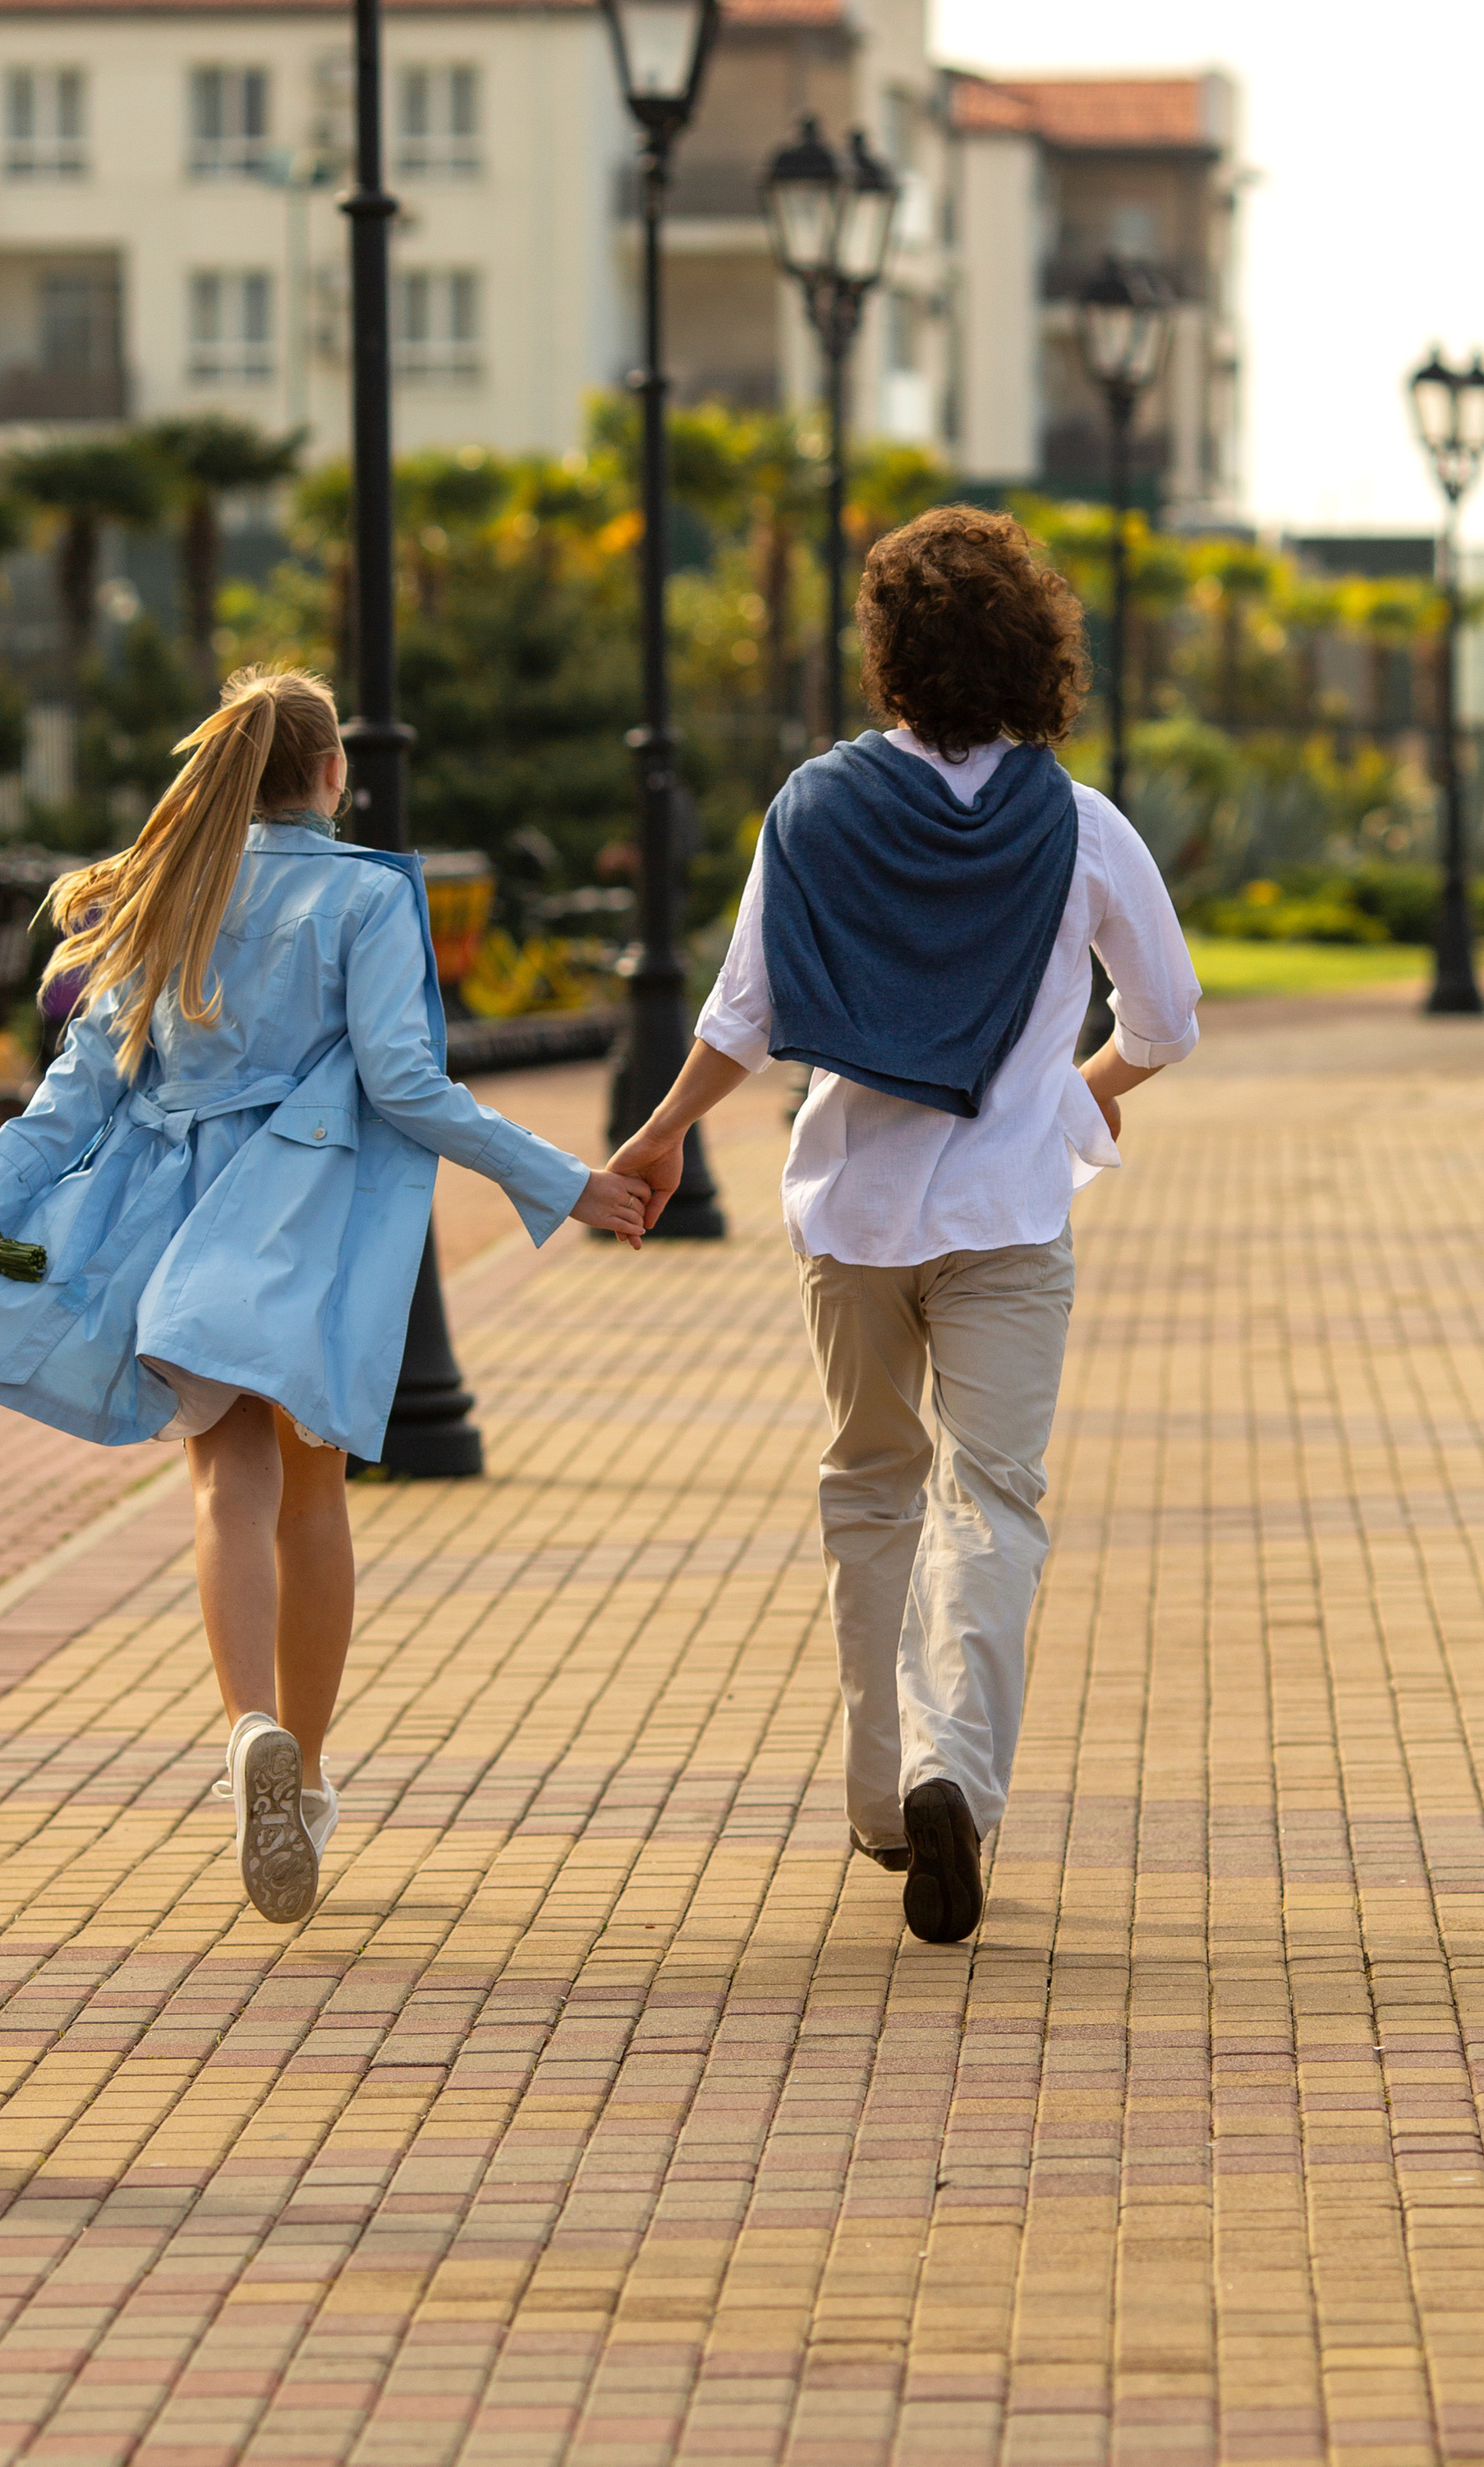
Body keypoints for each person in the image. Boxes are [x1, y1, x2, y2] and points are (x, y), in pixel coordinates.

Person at [0, 668, 649, 1925]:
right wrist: (568, 1183)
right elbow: (406, 1087)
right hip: (310, 1226)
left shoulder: (174, 890)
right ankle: (307, 1775)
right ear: (334, 774)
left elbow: (76, 1095)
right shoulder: (366, 896)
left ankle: (248, 1729)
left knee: (227, 1478)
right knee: (313, 1490)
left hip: (179, 1230)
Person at [613, 508, 1200, 1948]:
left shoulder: (815, 807)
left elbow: (743, 1014)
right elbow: (1168, 1021)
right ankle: (956, 1773)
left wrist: (663, 1130)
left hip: (854, 1216)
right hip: (1007, 1215)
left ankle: (883, 1796)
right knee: (993, 1500)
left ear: (886, 651)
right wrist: (1081, 1090)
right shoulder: (1081, 825)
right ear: (1038, 648)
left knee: (872, 1485)